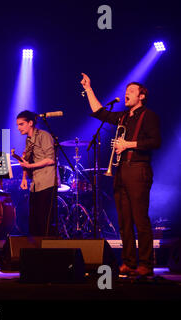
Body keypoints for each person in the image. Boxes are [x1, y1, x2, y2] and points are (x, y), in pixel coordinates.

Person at [80, 73, 161, 277]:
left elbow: (155, 142)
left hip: (139, 169)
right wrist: (89, 89)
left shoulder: (148, 115)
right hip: (122, 170)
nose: (126, 93)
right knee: (124, 220)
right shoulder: (123, 117)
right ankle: (129, 262)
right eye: (126, 90)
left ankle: (145, 264)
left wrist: (127, 144)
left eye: (131, 91)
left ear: (141, 96)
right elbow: (100, 112)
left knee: (140, 218)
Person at [16, 110, 58, 237]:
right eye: (18, 125)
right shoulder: (28, 140)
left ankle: (46, 251)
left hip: (47, 182)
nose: (18, 128)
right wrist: (24, 178)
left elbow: (50, 159)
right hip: (36, 184)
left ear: (30, 123)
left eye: (21, 124)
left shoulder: (44, 136)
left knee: (45, 221)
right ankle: (35, 251)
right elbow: (26, 160)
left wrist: (30, 166)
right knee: (34, 220)